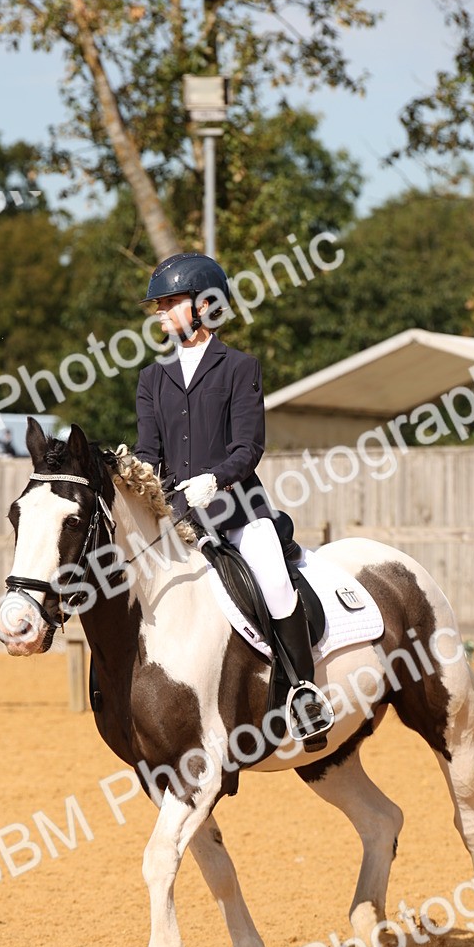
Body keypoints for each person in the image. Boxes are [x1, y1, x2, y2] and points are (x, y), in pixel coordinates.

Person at [134, 251, 333, 749]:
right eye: (157, 307)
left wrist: (213, 480)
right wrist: (138, 478)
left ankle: (304, 694)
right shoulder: (152, 379)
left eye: (169, 304)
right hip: (179, 520)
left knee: (274, 580)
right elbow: (147, 452)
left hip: (237, 511)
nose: (160, 314)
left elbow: (249, 448)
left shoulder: (239, 367)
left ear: (204, 306)